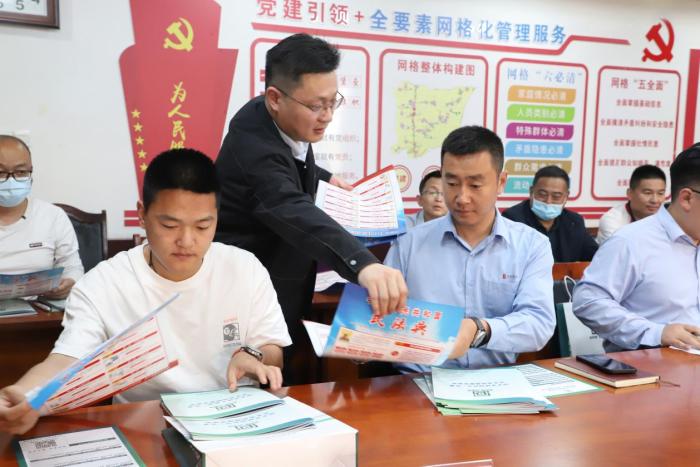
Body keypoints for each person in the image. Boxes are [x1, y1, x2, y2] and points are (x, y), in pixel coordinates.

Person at [0, 148, 291, 435]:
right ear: (142, 214)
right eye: (169, 225)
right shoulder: (104, 283)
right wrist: (24, 394)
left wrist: (253, 356)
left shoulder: (244, 268)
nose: (187, 241)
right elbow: (68, 359)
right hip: (148, 429)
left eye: (203, 226)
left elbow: (272, 349)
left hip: (234, 421)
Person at [215, 33, 407, 384]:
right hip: (248, 303)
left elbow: (288, 167)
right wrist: (363, 263)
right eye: (317, 106)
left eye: (333, 102)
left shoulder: (271, 117)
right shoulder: (252, 149)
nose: (328, 116)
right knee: (247, 388)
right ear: (275, 98)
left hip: (283, 286)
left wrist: (324, 178)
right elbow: (288, 203)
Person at [384, 126, 555, 373]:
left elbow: (538, 324)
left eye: (475, 185)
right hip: (418, 381)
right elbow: (378, 318)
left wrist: (479, 330)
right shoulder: (408, 244)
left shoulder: (531, 246)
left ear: (501, 182)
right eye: (452, 183)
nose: (462, 197)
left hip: (495, 380)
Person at [573, 143, 700, 352]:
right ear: (687, 198)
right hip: (651, 366)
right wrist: (656, 333)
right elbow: (588, 302)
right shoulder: (631, 241)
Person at [0, 135, 83, 299]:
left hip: (40, 309)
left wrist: (69, 283)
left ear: (31, 173)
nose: (11, 180)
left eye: (21, 172)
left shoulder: (53, 216)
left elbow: (72, 268)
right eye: (0, 172)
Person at [502, 165, 598, 262]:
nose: (548, 201)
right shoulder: (512, 219)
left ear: (566, 197)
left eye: (556, 196)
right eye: (542, 194)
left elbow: (596, 256)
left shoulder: (574, 222)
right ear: (531, 192)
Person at [596, 164, 667, 244]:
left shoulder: (667, 218)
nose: (655, 200)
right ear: (630, 194)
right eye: (647, 193)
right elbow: (624, 249)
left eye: (660, 193)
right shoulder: (612, 220)